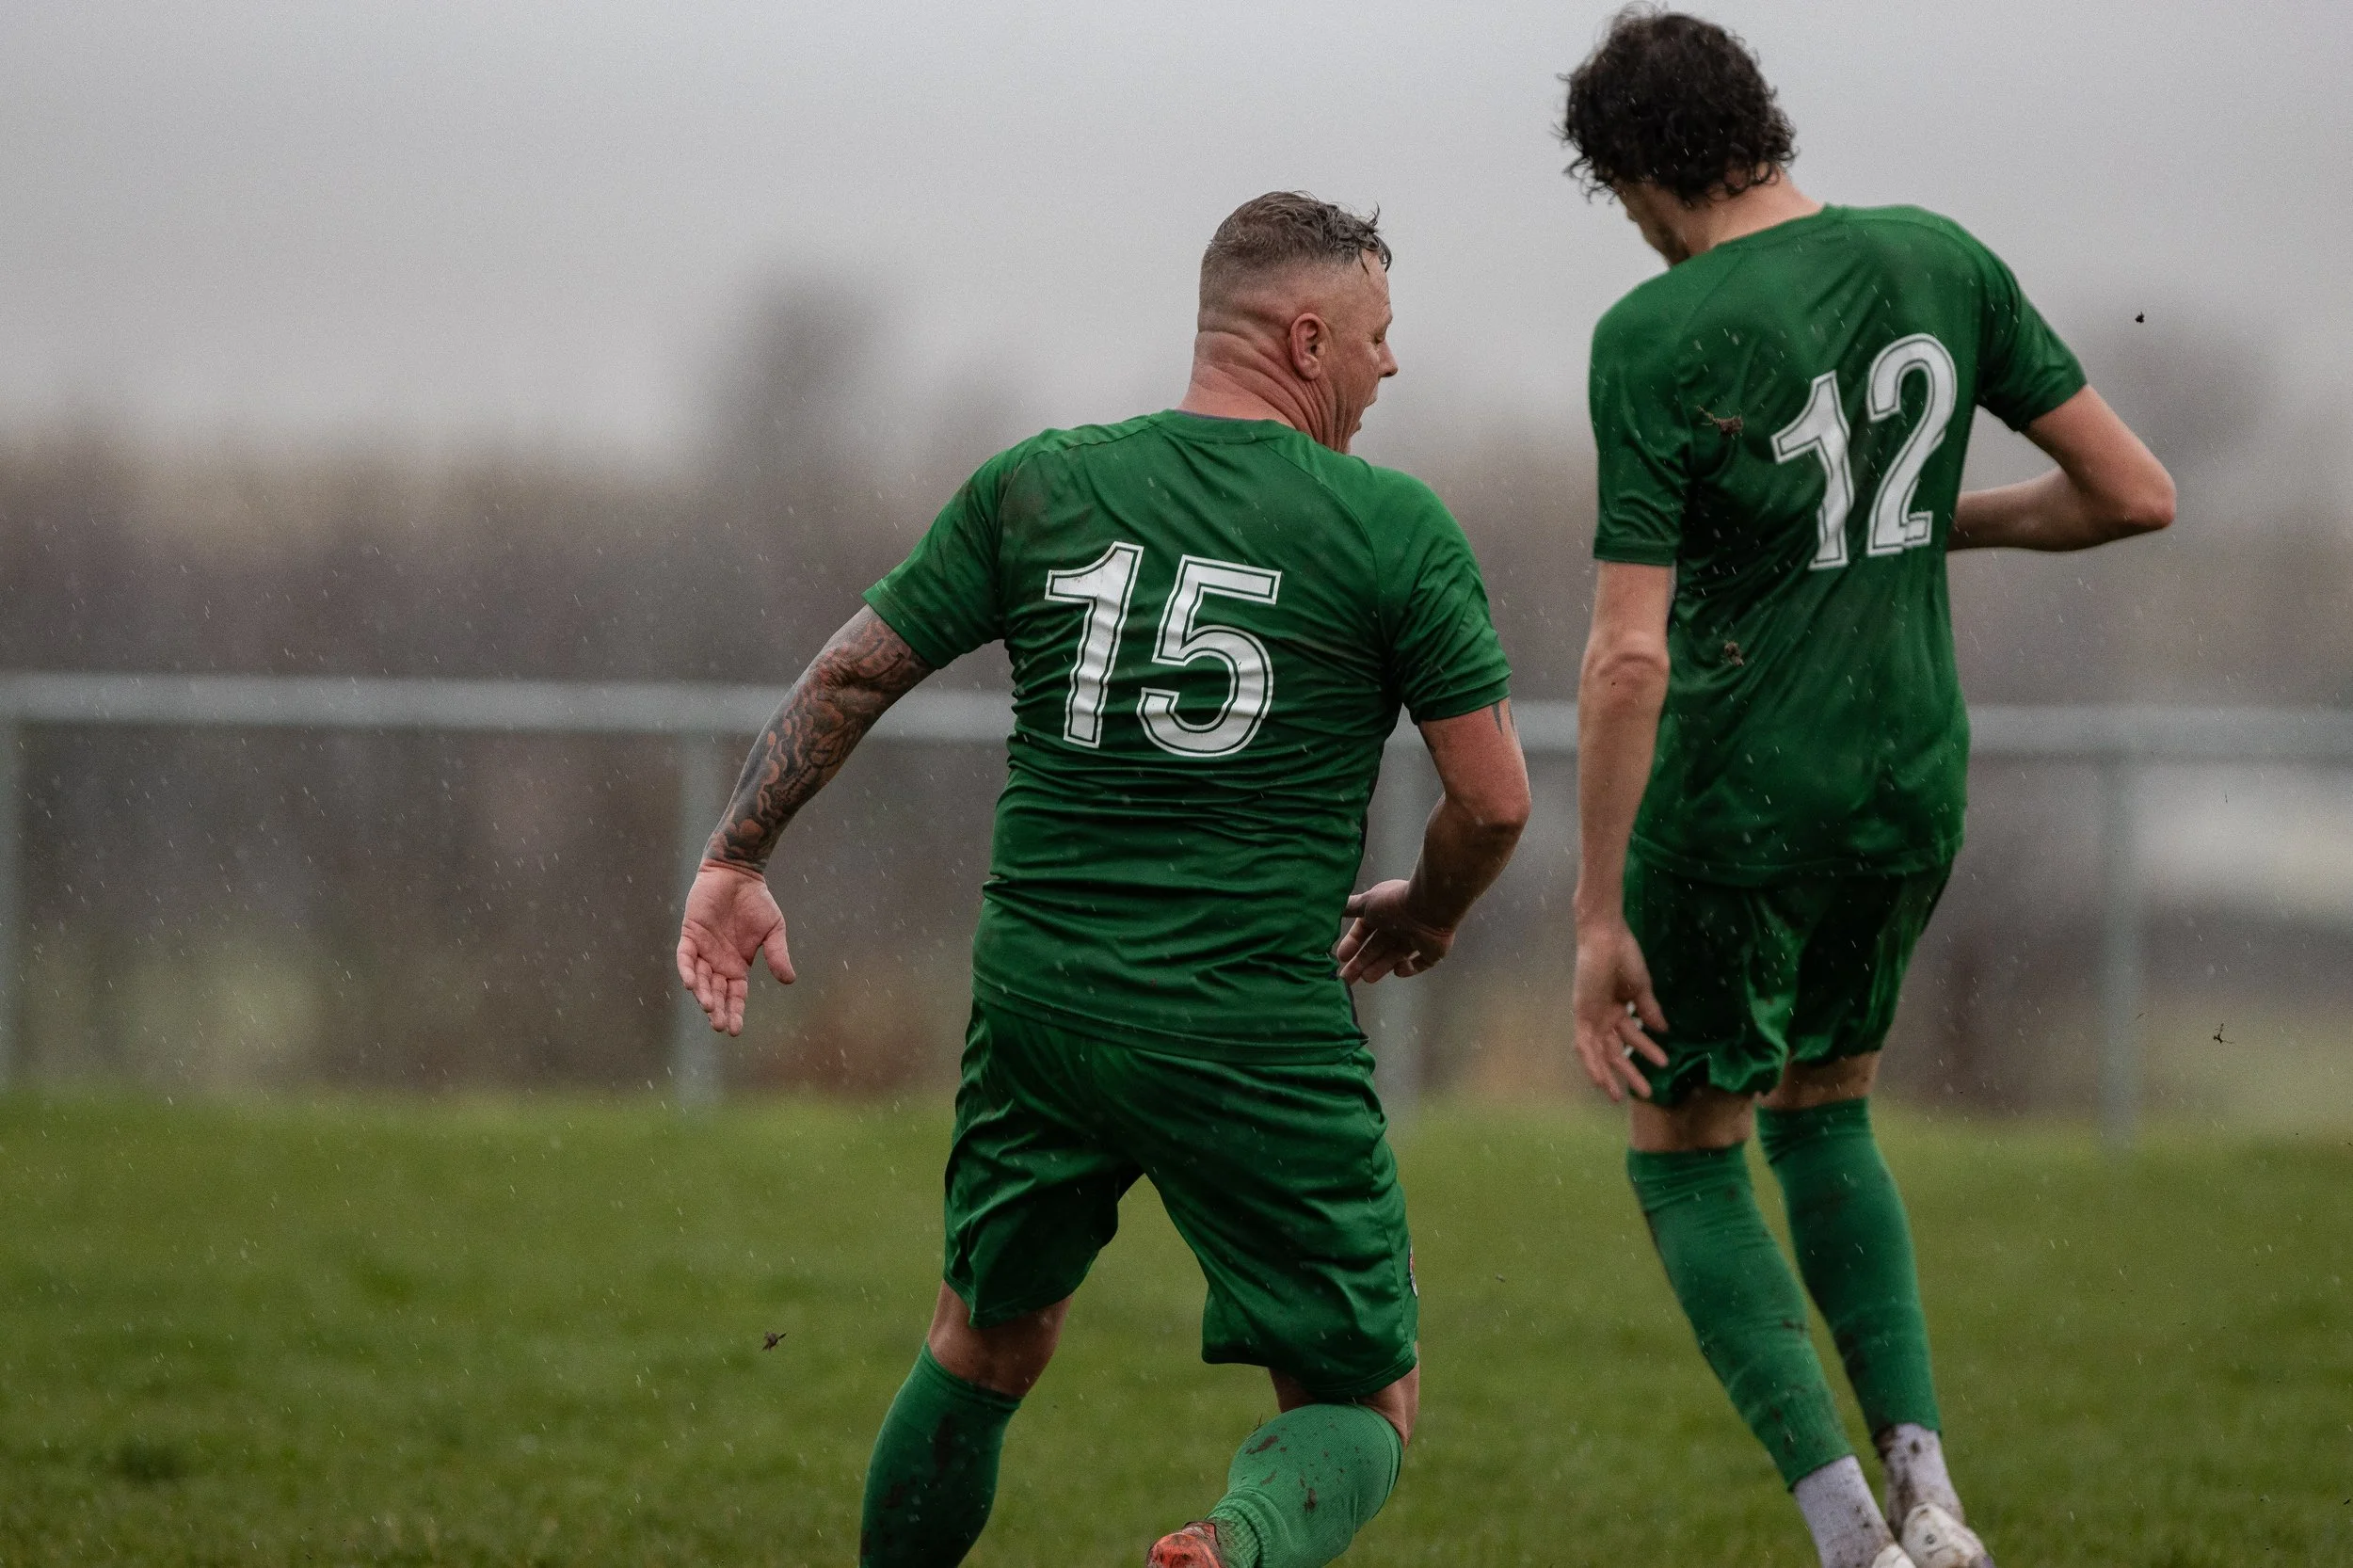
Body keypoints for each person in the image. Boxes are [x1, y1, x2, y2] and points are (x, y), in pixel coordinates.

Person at [676, 191, 1530, 1568]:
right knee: (1365, 1398)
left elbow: (853, 670)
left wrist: (736, 856)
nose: (1391, 367)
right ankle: (1232, 1548)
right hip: (1248, 1020)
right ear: (1308, 339)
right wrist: (1427, 910)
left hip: (1043, 1000)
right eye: (1379, 337)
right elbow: (1494, 800)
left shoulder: (1041, 483)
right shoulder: (1390, 529)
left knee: (985, 1337)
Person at [1557, 11, 2174, 1568]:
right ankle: (1935, 1500)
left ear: (1638, 170)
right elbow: (2132, 493)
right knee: (1829, 1114)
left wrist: (1590, 908)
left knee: (1688, 1143)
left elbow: (1628, 659)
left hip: (1741, 797)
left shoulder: (1656, 330)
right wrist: (1914, 528)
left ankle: (1850, 1537)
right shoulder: (1939, 257)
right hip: (1912, 783)